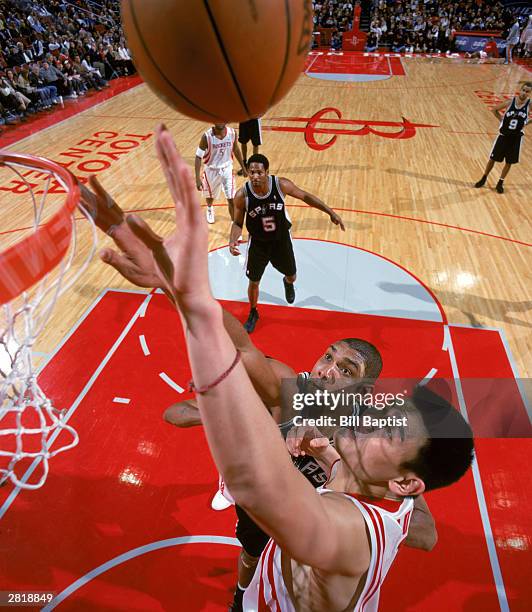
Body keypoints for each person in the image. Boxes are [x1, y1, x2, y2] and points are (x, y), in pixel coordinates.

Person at [88, 125, 474, 612]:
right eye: (329, 356)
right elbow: (244, 352)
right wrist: (334, 465)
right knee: (251, 554)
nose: (329, 370)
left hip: (302, 534)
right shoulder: (313, 409)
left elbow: (422, 534)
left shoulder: (361, 524)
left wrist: (189, 300)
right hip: (285, 546)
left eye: (346, 368)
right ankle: (242, 592)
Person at [229, 154, 345, 333]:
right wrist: (232, 240)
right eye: (251, 172)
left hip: (280, 240)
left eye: (259, 172)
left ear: (267, 172)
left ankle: (287, 282)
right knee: (253, 281)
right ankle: (253, 312)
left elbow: (305, 196)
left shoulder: (280, 185)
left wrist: (330, 212)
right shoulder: (241, 195)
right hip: (258, 244)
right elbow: (237, 223)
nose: (255, 176)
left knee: (292, 275)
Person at [474, 81, 531, 194]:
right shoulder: (510, 102)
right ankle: (484, 177)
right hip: (503, 136)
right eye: (523, 90)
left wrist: (527, 122)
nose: (524, 93)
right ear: (520, 90)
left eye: (527, 91)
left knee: (509, 162)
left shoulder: (529, 104)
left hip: (516, 138)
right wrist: (501, 119)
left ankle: (500, 182)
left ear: (530, 93)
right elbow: (494, 109)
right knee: (492, 159)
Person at [195, 123, 247, 224]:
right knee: (210, 196)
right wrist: (197, 178)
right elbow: (198, 157)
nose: (220, 122)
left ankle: (234, 225)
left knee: (231, 198)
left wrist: (243, 167)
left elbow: (235, 149)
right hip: (211, 170)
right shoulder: (207, 137)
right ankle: (209, 208)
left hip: (227, 169)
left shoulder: (232, 133)